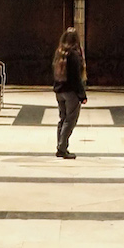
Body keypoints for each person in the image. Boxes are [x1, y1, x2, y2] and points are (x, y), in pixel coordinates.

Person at [52, 26, 87, 159]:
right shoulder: (74, 55)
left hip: (59, 91)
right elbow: (76, 78)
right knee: (70, 120)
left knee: (62, 119)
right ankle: (62, 148)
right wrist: (82, 95)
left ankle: (60, 145)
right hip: (70, 92)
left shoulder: (59, 53)